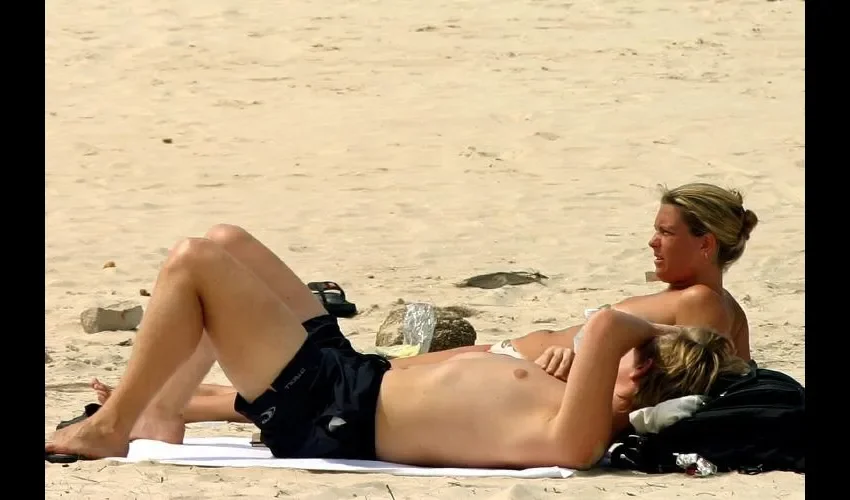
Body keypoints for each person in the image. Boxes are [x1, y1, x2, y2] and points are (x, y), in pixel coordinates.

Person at [45, 228, 751, 468]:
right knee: (227, 241)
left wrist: (651, 337)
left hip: (328, 412)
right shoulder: (573, 405)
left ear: (638, 372)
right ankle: (162, 412)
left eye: (629, 357)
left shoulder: (579, 437)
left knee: (194, 262)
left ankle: (112, 429)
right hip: (353, 375)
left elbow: (606, 327)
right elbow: (599, 340)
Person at [88, 181, 760, 428]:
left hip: (524, 379)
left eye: (666, 233)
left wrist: (578, 364)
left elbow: (677, 379)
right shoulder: (692, 299)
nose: (652, 242)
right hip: (505, 362)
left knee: (369, 378)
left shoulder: (702, 307)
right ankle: (169, 400)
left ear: (705, 243)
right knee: (372, 371)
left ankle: (160, 404)